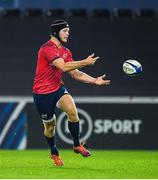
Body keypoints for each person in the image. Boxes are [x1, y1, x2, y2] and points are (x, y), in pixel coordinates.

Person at [32, 20, 111, 166]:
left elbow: (75, 73)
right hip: (42, 93)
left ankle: (76, 144)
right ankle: (54, 151)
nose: (68, 34)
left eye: (68, 31)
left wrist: (94, 80)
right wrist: (85, 62)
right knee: (50, 127)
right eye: (65, 31)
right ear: (56, 32)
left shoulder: (66, 52)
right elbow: (62, 66)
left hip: (57, 88)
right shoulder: (46, 49)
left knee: (72, 111)